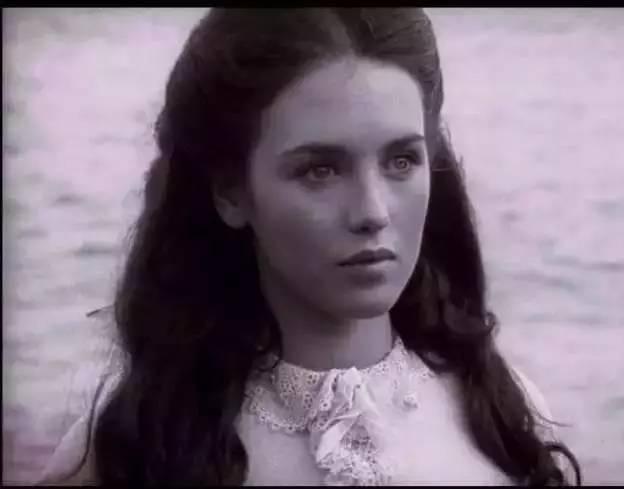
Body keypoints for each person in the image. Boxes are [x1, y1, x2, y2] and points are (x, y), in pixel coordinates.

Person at [38, 8, 582, 486]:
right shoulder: (130, 445)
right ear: (231, 192)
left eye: (401, 161)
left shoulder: (506, 418)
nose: (373, 212)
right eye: (320, 169)